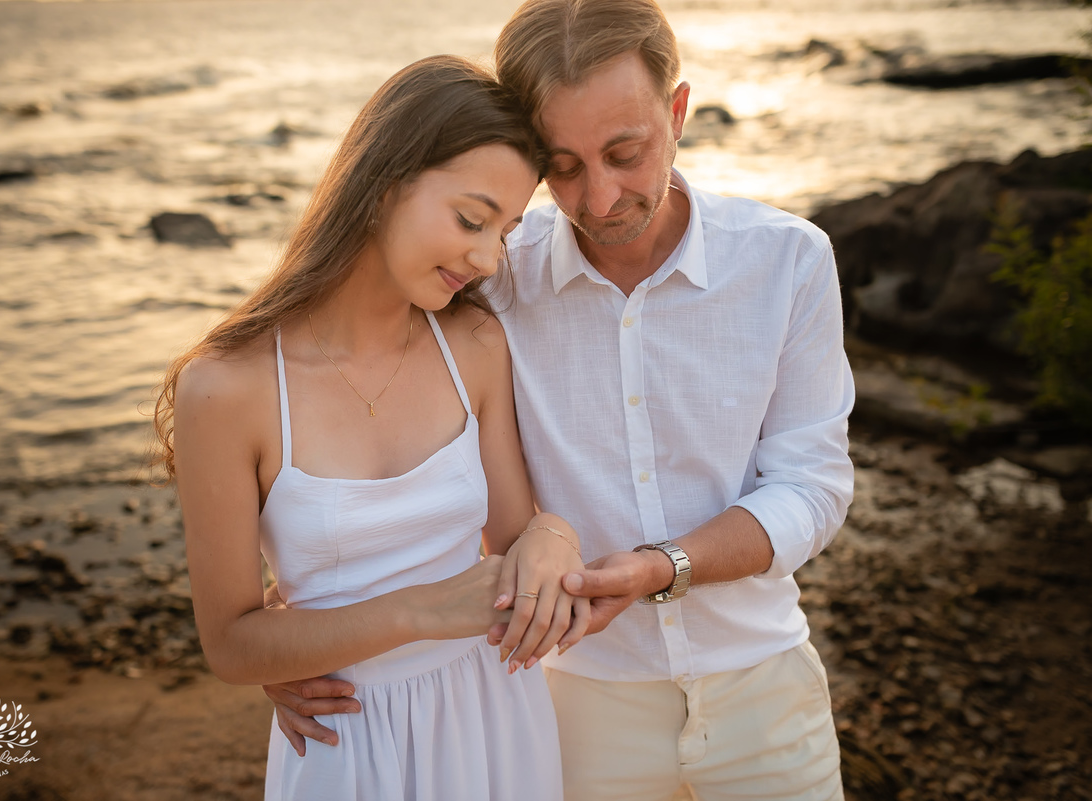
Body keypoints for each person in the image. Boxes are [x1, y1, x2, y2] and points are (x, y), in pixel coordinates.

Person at [266, 1, 856, 799]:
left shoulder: (789, 261)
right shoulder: (489, 278)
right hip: (572, 702)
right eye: (563, 165)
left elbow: (812, 484)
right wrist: (288, 626)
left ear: (677, 112)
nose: (600, 198)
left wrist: (662, 566)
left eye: (626, 152)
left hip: (766, 690)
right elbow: (358, 409)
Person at [154, 55, 589, 801]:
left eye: (507, 231)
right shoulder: (227, 388)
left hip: (495, 718)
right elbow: (230, 641)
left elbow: (518, 534)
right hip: (346, 736)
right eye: (470, 219)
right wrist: (419, 611)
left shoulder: (474, 345)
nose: (486, 258)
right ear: (384, 185)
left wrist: (556, 537)